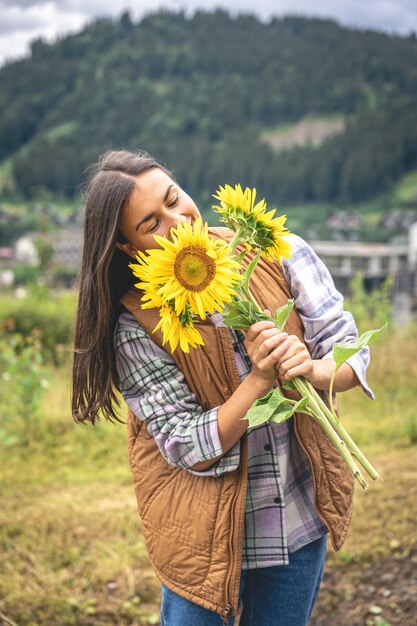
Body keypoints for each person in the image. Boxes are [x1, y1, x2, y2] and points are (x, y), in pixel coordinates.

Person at [71, 149, 374, 626]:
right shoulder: (138, 324)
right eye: (152, 224)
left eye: (174, 199)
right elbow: (187, 443)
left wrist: (314, 371)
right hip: (203, 539)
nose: (178, 221)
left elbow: (351, 350)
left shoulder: (278, 252)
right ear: (130, 249)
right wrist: (258, 380)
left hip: (297, 515)